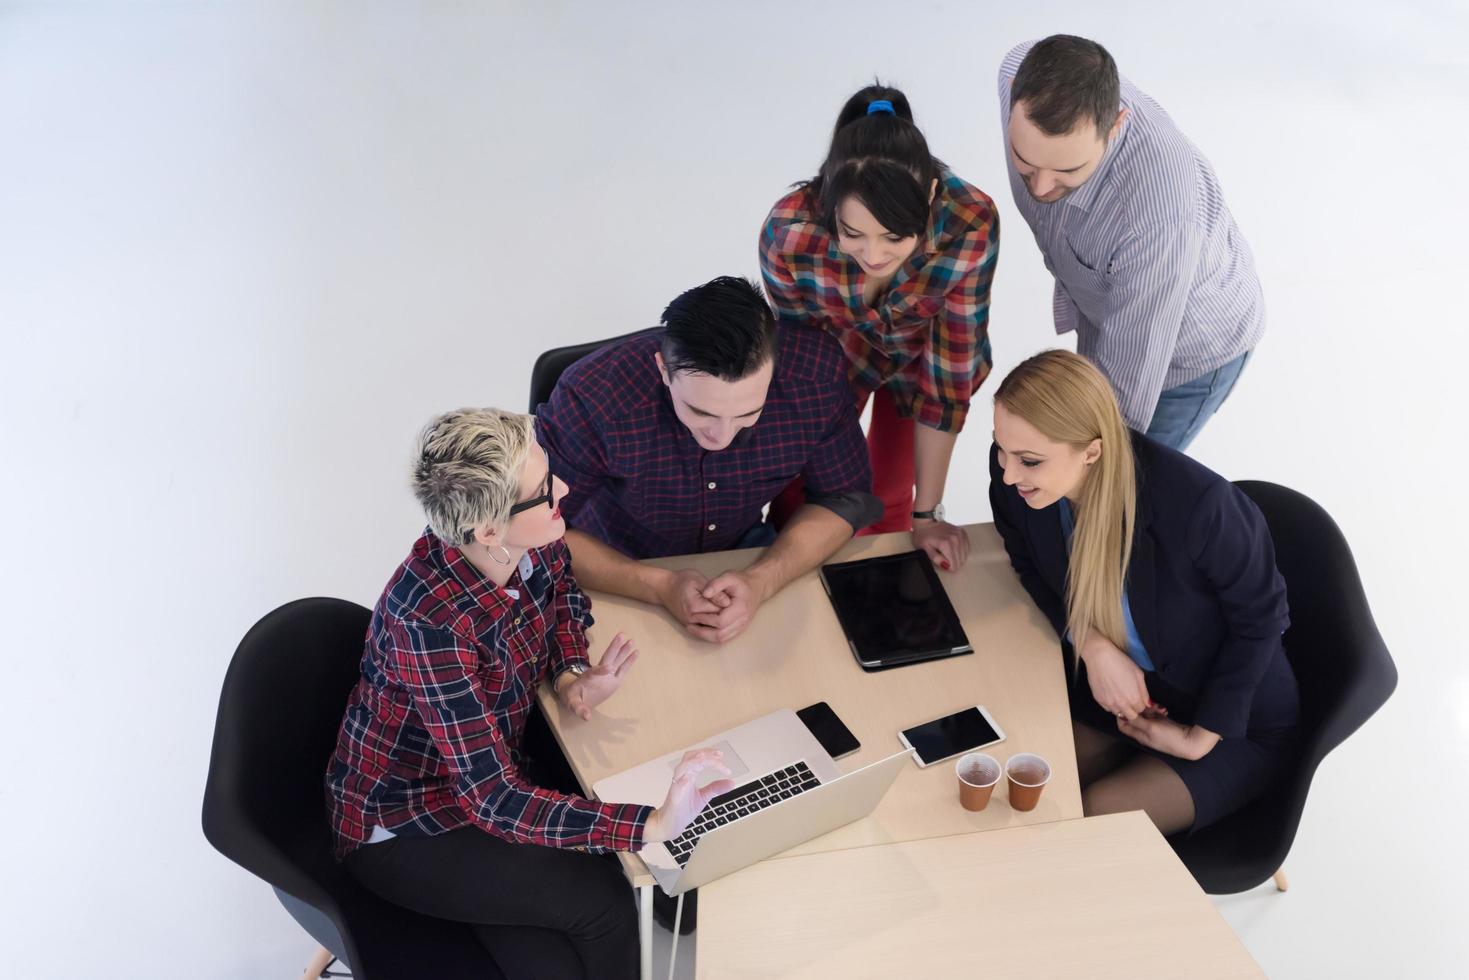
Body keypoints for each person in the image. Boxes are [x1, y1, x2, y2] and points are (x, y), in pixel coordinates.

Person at [324, 408, 735, 979]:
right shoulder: (429, 625)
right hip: (407, 822)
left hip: (488, 773)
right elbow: (493, 798)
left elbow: (561, 588)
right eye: (544, 492)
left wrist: (570, 672)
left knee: (557, 947)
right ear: (489, 530)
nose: (562, 490)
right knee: (606, 905)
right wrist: (653, 825)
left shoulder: (528, 539)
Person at [988, 350, 1299, 834]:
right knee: (1024, 783)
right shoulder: (1019, 475)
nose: (1008, 475)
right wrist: (1091, 645)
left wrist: (1200, 737)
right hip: (1126, 698)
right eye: (1001, 450)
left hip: (1233, 724)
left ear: (1091, 451)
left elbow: (1261, 622)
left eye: (1028, 460)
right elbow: (1028, 564)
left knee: (1096, 816)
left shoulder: (1200, 508)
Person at [536, 275, 881, 645]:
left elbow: (843, 497)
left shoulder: (815, 372)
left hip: (746, 553)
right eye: (701, 412)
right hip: (616, 564)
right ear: (664, 370)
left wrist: (762, 580)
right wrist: (658, 586)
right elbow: (537, 531)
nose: (722, 437)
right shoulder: (593, 394)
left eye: (749, 413)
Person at [760, 83, 1000, 572]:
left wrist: (928, 515)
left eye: (895, 236)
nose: (873, 256)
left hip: (920, 361)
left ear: (931, 193)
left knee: (889, 492)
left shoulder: (969, 223)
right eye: (853, 234)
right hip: (830, 356)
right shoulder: (788, 234)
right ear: (829, 201)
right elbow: (802, 369)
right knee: (799, 489)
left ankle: (879, 590)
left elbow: (949, 376)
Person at [998, 36, 1264, 451]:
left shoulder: (1159, 217)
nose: (1043, 186)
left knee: (1125, 483)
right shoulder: (1015, 73)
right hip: (1108, 311)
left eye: (1067, 170)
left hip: (1187, 355)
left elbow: (1121, 403)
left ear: (1117, 125)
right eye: (1026, 163)